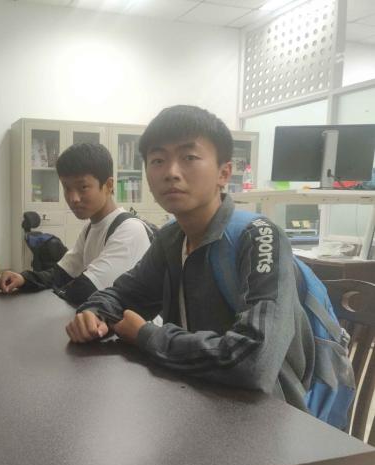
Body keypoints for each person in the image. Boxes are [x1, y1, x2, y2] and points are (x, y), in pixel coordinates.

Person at [66, 106, 316, 412]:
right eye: (158, 160)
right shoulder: (172, 238)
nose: (171, 172)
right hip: (193, 401)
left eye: (189, 157)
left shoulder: (260, 237)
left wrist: (148, 336)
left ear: (224, 173)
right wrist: (94, 313)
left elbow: (254, 361)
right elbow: (123, 294)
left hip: (264, 414)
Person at [0, 142, 152, 306]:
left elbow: (85, 290)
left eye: (83, 187)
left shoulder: (129, 230)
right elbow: (62, 274)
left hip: (130, 322)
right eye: (67, 188)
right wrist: (24, 279)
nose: (73, 198)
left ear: (108, 185)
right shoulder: (90, 228)